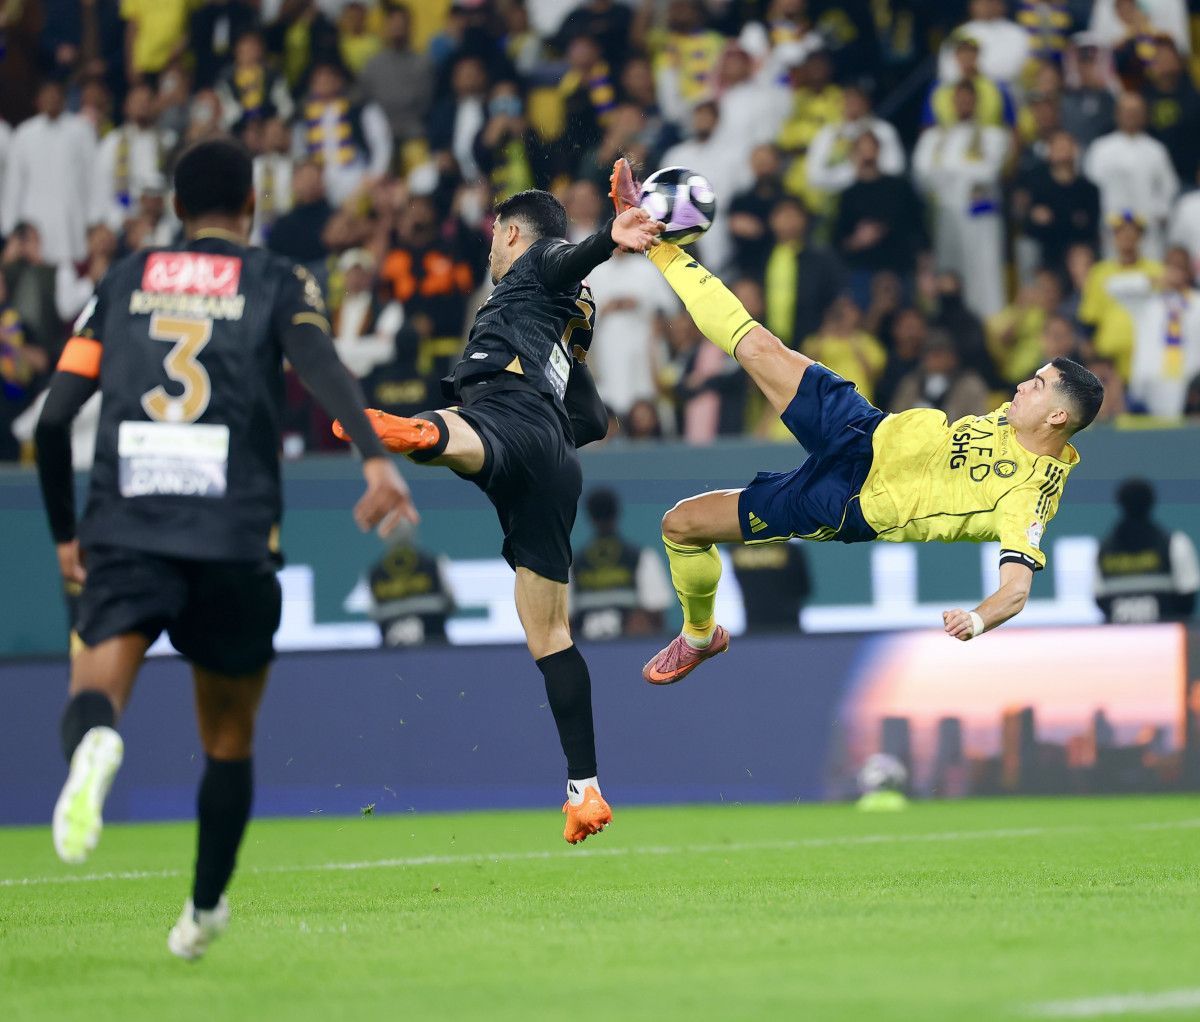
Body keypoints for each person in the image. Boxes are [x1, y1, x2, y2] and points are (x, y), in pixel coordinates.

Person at [33, 139, 416, 959]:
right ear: (251, 206)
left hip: (129, 523)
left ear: (176, 209)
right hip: (234, 531)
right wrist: (374, 458)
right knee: (229, 739)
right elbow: (319, 365)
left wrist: (66, 533)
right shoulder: (275, 279)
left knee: (94, 689)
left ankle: (97, 743)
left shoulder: (125, 279)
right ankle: (203, 910)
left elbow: (57, 418)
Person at [608, 159, 1104, 685]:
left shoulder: (1029, 493)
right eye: (1032, 376)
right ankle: (653, 240)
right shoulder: (1014, 418)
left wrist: (978, 618)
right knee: (756, 344)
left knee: (680, 525)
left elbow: (1017, 590)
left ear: (1057, 416)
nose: (1023, 385)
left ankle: (698, 636)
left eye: (1038, 385)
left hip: (845, 499)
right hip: (863, 427)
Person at [332, 188, 660, 843]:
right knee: (551, 635)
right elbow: (594, 419)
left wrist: (607, 238)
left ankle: (423, 433)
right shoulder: (570, 320)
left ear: (512, 233)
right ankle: (585, 788)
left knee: (470, 430)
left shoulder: (537, 263)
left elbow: (564, 257)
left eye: (492, 238)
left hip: (507, 413)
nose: (490, 252)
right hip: (557, 461)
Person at [570, 488, 672, 641]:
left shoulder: (573, 564)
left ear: (590, 516)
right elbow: (657, 615)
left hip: (589, 650)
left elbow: (563, 620)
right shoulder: (642, 556)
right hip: (630, 651)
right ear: (617, 513)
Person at [1094, 478, 1199, 623]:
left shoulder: (1102, 549)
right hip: (1164, 635)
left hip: (1127, 635)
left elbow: (1099, 599)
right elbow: (1187, 599)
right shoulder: (1175, 543)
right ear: (1152, 502)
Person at [367, 524, 456, 647]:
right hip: (432, 647)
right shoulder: (432, 564)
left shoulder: (375, 573)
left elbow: (372, 613)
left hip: (405, 650)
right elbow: (451, 603)